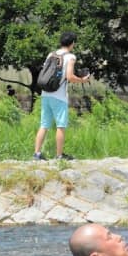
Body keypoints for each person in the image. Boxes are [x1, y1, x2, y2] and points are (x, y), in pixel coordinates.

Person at [33, 31, 90, 161]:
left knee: (44, 124)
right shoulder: (70, 57)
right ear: (72, 43)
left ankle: (36, 154)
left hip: (45, 94)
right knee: (61, 126)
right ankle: (59, 156)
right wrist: (83, 80)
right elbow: (69, 77)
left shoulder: (51, 54)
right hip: (59, 96)